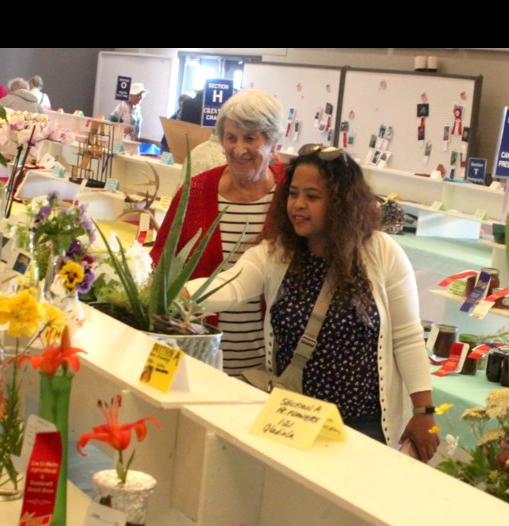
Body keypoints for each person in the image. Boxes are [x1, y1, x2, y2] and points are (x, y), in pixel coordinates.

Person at [187, 145, 440, 461]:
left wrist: (423, 409)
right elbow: (232, 285)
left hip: (363, 427)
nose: (298, 205)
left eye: (312, 196)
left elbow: (407, 337)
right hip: (294, 421)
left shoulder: (382, 252)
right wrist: (181, 296)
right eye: (293, 194)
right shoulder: (276, 254)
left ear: (340, 203)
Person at [152, 90, 286, 379]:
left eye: (251, 138)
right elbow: (160, 265)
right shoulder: (197, 191)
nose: (239, 149)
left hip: (270, 367)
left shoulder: (291, 195)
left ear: (274, 141)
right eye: (231, 137)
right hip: (199, 356)